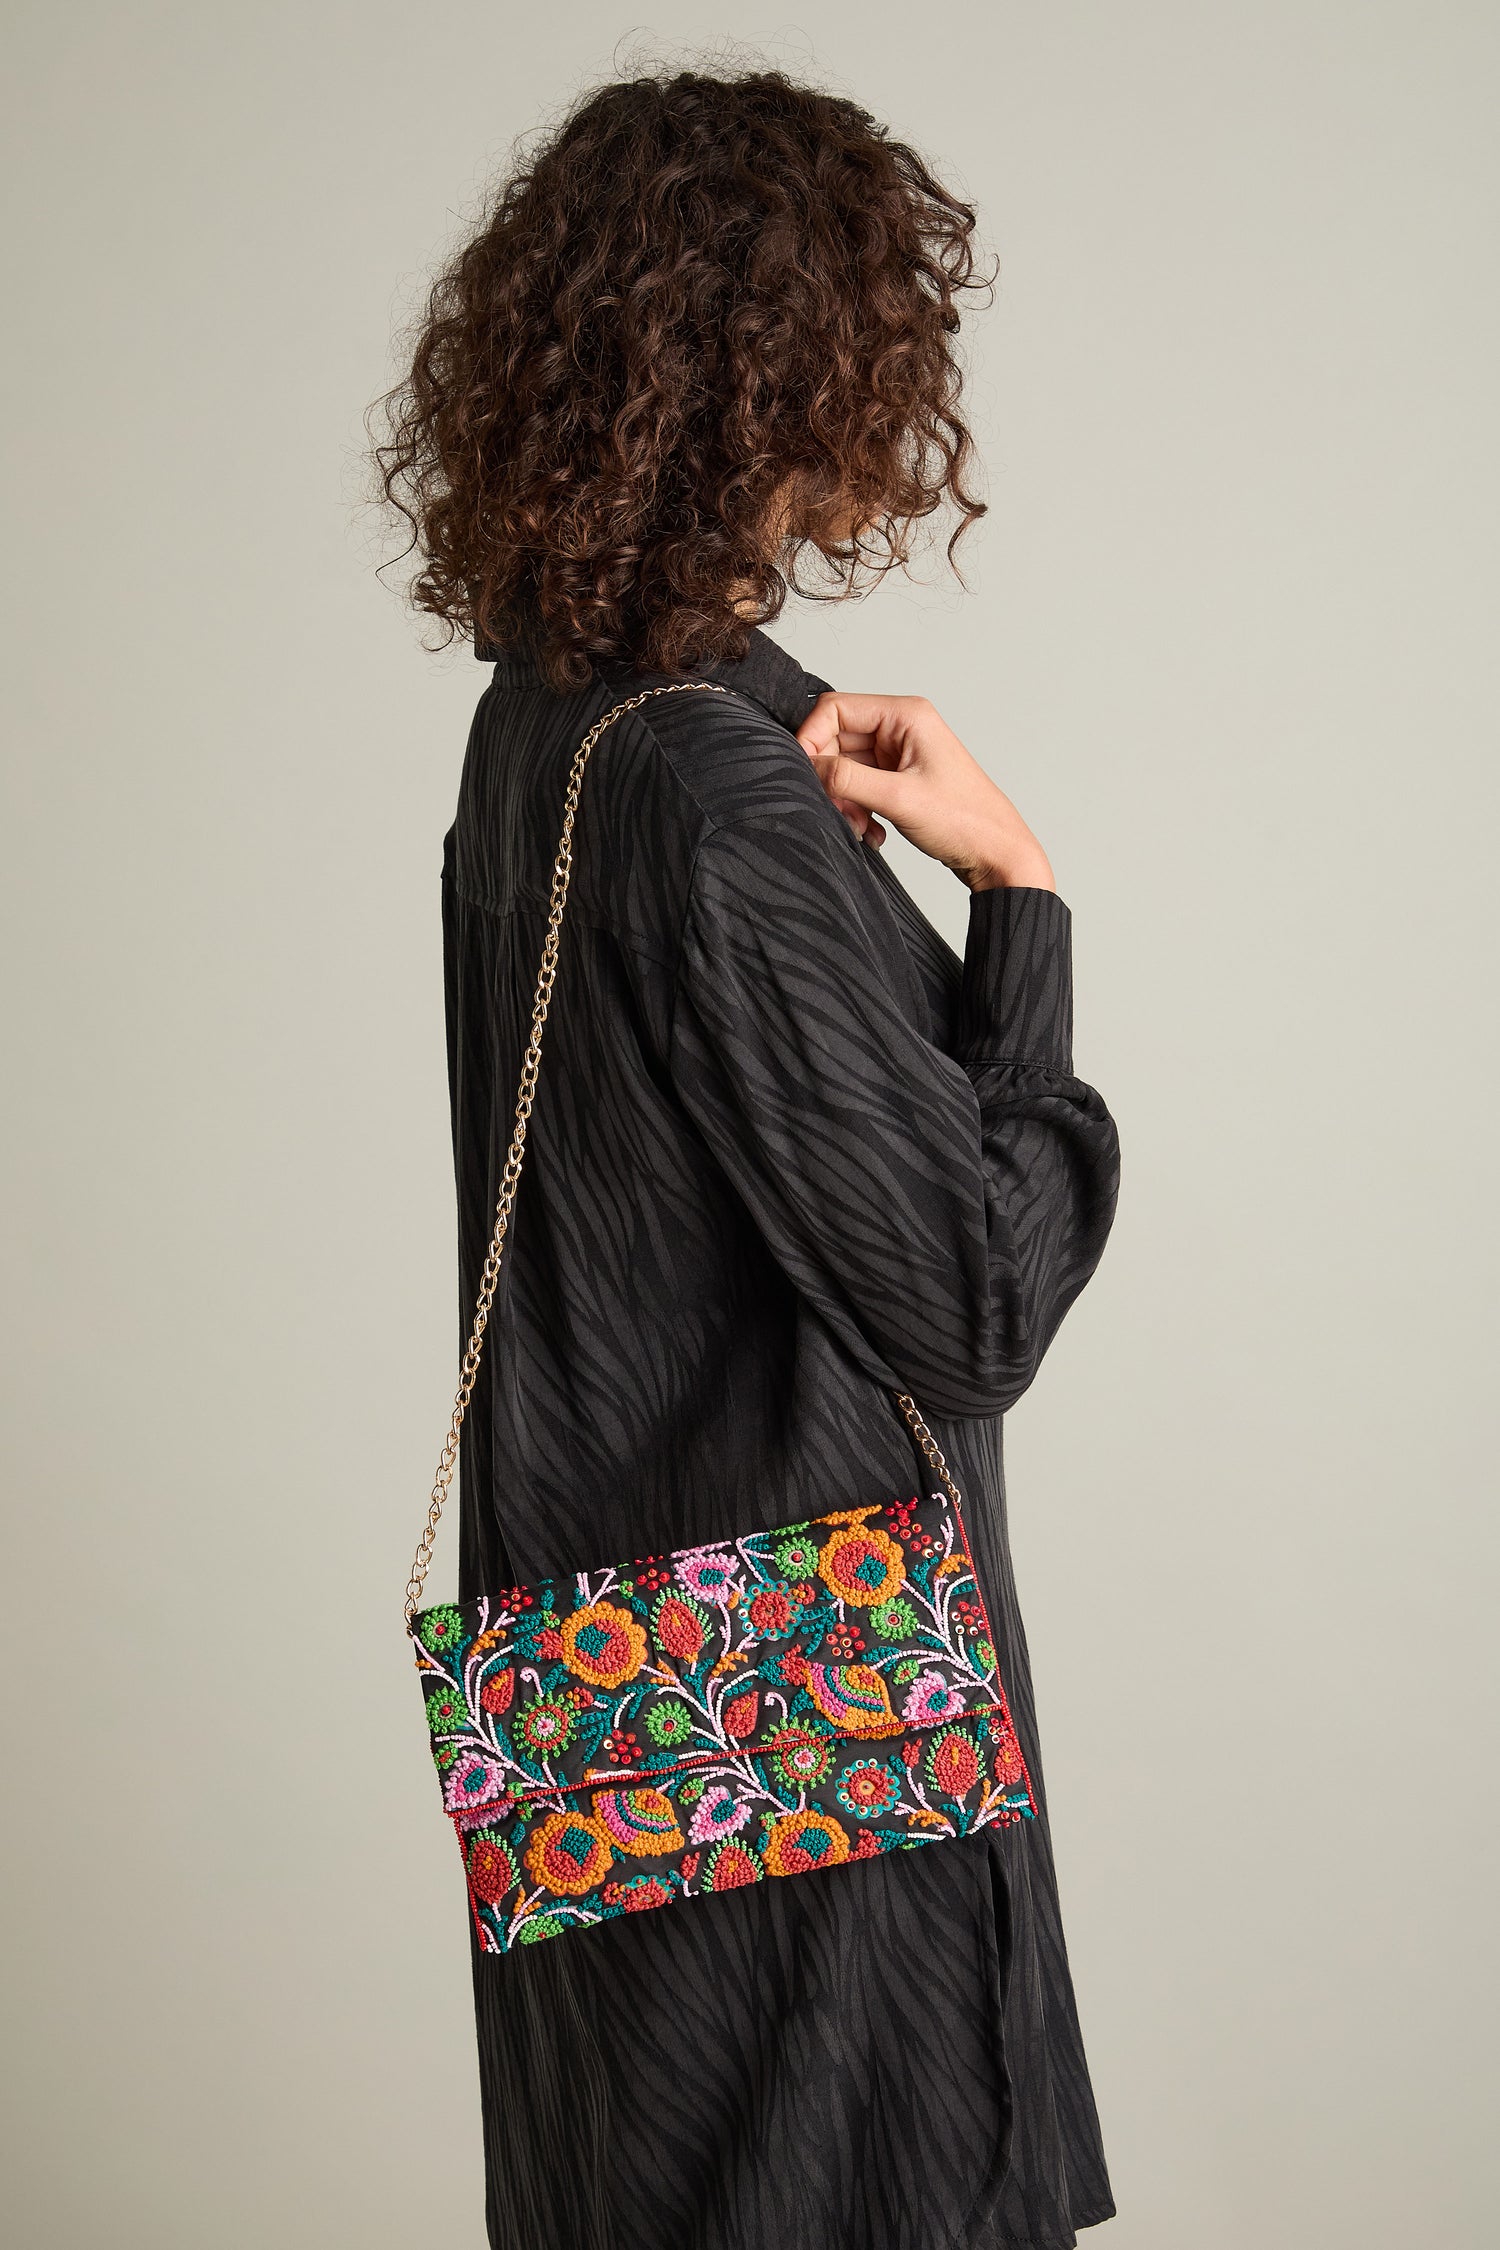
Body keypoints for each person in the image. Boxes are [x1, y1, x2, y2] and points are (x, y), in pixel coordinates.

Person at [375, 64, 1121, 2250]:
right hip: (816, 1794)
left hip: (628, 1755)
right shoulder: (712, 798)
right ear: (792, 379)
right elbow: (973, 1302)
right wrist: (1030, 912)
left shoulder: (538, 736)